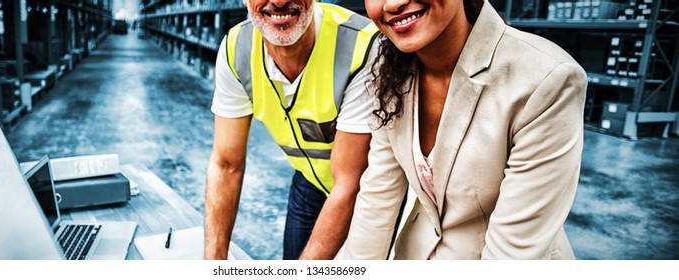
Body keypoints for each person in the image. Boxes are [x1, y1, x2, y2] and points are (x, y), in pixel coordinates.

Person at [342, 0, 586, 259]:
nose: (393, 3)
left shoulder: (545, 78)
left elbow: (511, 256)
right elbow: (377, 200)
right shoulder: (390, 73)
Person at [204, 0, 379, 260]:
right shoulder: (236, 49)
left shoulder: (362, 45)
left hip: (368, 189)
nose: (278, 2)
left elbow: (348, 183)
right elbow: (226, 164)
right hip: (309, 181)